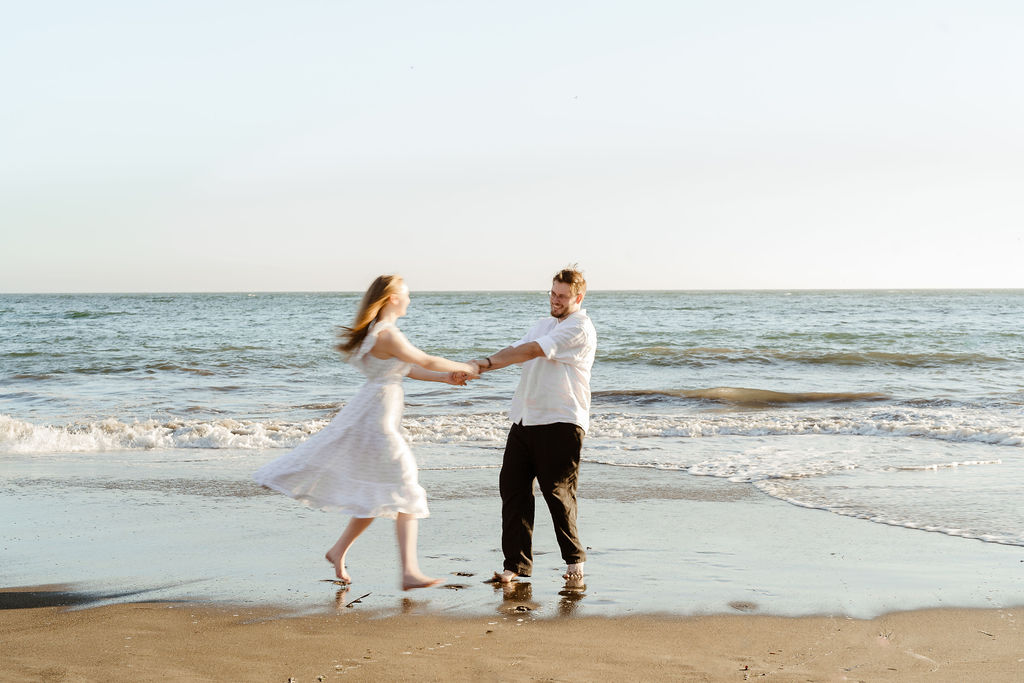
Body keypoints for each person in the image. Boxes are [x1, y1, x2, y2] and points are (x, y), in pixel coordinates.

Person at [253, 275, 477, 591]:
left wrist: (446, 379)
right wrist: (468, 365)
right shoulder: (386, 335)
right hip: (378, 422)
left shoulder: (378, 334)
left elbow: (408, 369)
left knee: (376, 492)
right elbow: (423, 359)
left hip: (372, 414)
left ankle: (338, 550)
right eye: (407, 295)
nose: (410, 300)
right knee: (405, 486)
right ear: (391, 299)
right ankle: (409, 572)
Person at [469, 266, 597, 585]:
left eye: (562, 296)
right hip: (525, 418)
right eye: (552, 293)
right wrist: (475, 368)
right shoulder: (543, 323)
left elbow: (532, 350)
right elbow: (515, 351)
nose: (555, 300)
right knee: (512, 489)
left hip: (561, 420)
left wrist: (480, 365)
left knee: (557, 493)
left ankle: (574, 561)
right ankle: (515, 566)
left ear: (578, 297)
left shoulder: (579, 327)